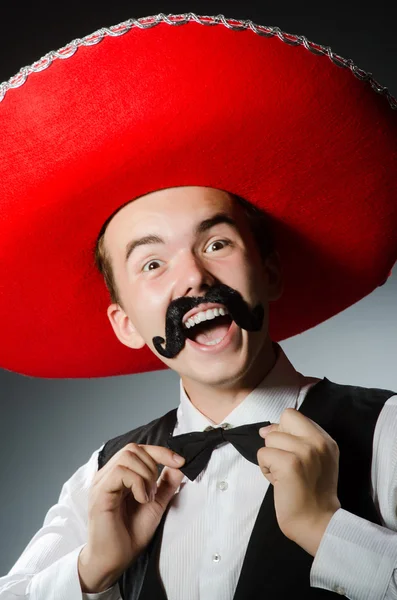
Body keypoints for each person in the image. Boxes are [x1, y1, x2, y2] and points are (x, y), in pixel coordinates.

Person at [1, 12, 397, 600]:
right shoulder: (104, 472)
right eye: (152, 264)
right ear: (127, 325)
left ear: (268, 273)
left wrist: (326, 529)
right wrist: (94, 567)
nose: (193, 278)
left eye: (216, 244)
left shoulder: (387, 432)